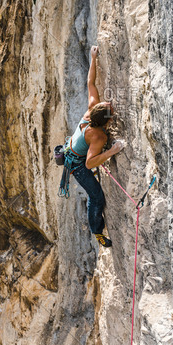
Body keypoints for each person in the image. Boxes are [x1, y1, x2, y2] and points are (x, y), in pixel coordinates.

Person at [69, 45, 125, 247]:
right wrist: (112, 151)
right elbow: (90, 163)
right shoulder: (99, 136)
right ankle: (97, 232)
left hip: (75, 149)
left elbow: (90, 81)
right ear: (106, 123)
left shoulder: (93, 108)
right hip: (77, 164)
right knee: (96, 196)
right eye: (111, 111)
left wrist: (93, 58)